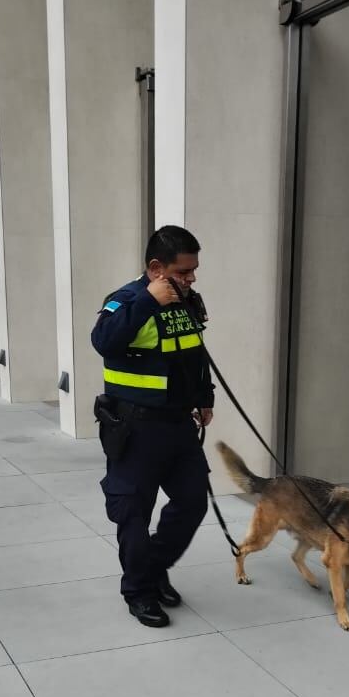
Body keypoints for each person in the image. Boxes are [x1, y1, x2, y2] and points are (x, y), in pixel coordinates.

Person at [91, 225, 214, 627]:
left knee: (193, 501)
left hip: (178, 424)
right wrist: (146, 301)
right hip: (136, 428)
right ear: (156, 268)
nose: (191, 278)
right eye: (183, 271)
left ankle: (152, 567)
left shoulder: (187, 301)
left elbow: (194, 354)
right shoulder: (125, 300)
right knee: (133, 513)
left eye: (194, 270)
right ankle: (139, 592)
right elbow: (103, 340)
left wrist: (204, 398)